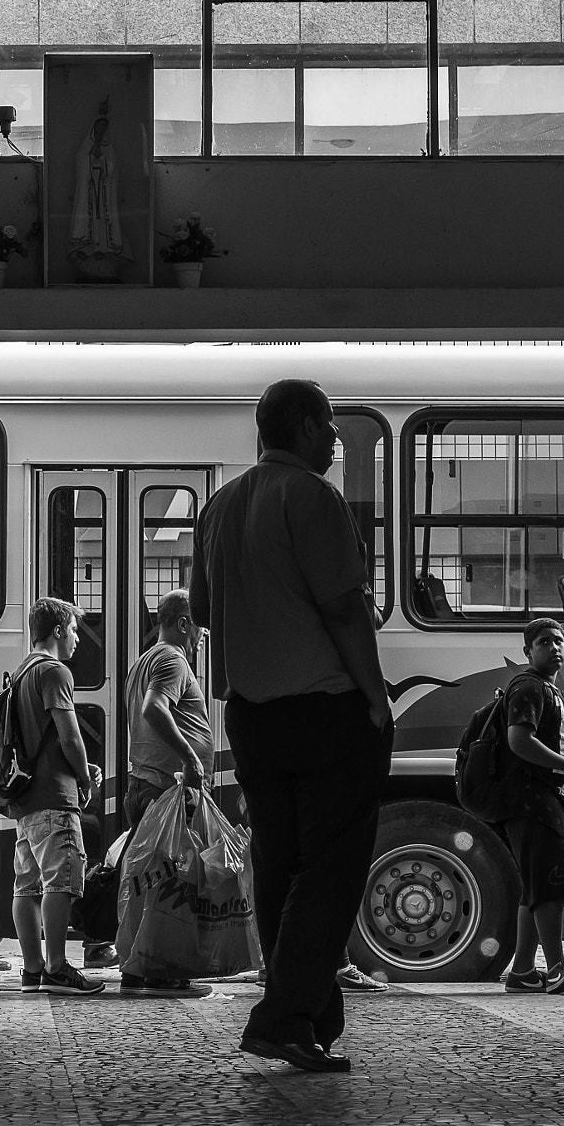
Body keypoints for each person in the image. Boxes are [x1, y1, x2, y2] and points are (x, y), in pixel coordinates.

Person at [189, 379, 392, 1075]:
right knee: (332, 866)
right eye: (331, 425)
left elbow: (206, 609)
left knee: (278, 865)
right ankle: (282, 1016)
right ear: (305, 428)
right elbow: (344, 608)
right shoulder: (313, 498)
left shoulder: (219, 505)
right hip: (324, 707)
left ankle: (307, 1019)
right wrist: (376, 696)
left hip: (250, 712)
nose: (336, 439)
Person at [2, 597, 107, 998]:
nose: (79, 638)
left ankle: (33, 971)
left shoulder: (22, 671)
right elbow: (69, 734)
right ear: (60, 630)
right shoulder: (55, 671)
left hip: (26, 799)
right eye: (76, 630)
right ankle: (58, 967)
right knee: (60, 880)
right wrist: (84, 777)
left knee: (26, 885)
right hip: (53, 795)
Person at [119, 587, 214, 997]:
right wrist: (191, 757)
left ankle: (137, 969)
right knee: (171, 888)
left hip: (143, 784)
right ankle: (162, 972)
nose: (201, 639)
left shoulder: (141, 663)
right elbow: (153, 709)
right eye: (199, 629)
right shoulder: (172, 659)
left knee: (148, 884)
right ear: (182, 624)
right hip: (165, 790)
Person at [497, 617, 564, 996]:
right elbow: (518, 740)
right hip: (535, 803)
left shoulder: (547, 689)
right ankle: (556, 968)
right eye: (543, 642)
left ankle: (522, 971)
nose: (554, 647)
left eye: (559, 641)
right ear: (528, 651)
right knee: (552, 885)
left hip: (547, 802)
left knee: (534, 888)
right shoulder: (528, 687)